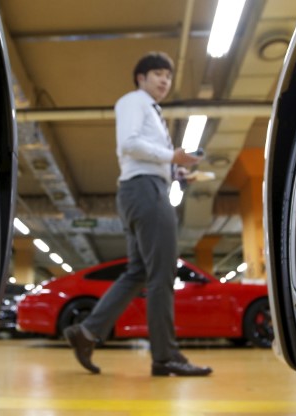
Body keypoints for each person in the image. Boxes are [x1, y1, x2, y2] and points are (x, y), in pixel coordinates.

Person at [63, 51, 212, 377]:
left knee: (139, 272)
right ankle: (165, 356)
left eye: (168, 76)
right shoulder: (134, 101)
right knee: (162, 275)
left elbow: (142, 153)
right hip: (145, 192)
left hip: (141, 189)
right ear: (140, 78)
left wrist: (175, 171)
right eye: (157, 73)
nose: (164, 80)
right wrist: (171, 155)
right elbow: (129, 143)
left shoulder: (151, 112)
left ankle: (87, 332)